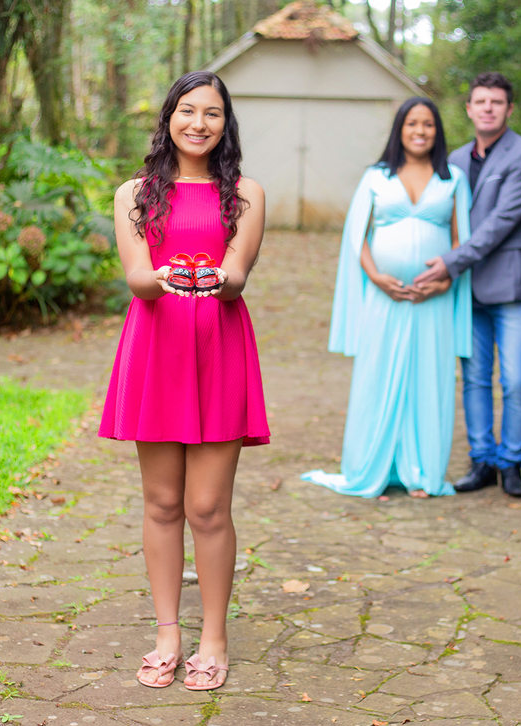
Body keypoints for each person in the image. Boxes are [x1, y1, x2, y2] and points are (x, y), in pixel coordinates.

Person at [99, 71, 268, 691]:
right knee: (163, 502)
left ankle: (215, 638)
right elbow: (138, 277)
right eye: (188, 111)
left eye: (213, 114)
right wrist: (166, 277)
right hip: (156, 347)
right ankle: (167, 632)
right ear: (169, 116)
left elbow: (238, 272)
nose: (199, 123)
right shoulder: (134, 193)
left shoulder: (245, 194)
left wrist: (212, 279)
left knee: (207, 506)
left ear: (227, 124)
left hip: (218, 346)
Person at [302, 97, 472, 499]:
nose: (420, 131)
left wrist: (445, 281)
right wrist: (376, 277)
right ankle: (371, 471)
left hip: (434, 300)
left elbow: (460, 239)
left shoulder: (454, 179)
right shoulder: (377, 176)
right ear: (400, 129)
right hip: (385, 298)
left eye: (428, 124)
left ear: (438, 131)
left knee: (429, 380)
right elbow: (356, 237)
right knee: (376, 379)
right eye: (412, 123)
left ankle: (423, 474)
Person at [412, 72, 521, 498]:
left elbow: (500, 224)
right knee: (474, 379)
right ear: (468, 109)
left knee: (517, 380)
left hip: (512, 287)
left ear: (509, 109)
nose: (488, 108)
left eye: (497, 102)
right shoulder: (453, 160)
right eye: (481, 101)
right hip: (467, 290)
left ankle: (512, 464)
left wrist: (449, 263)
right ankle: (483, 460)